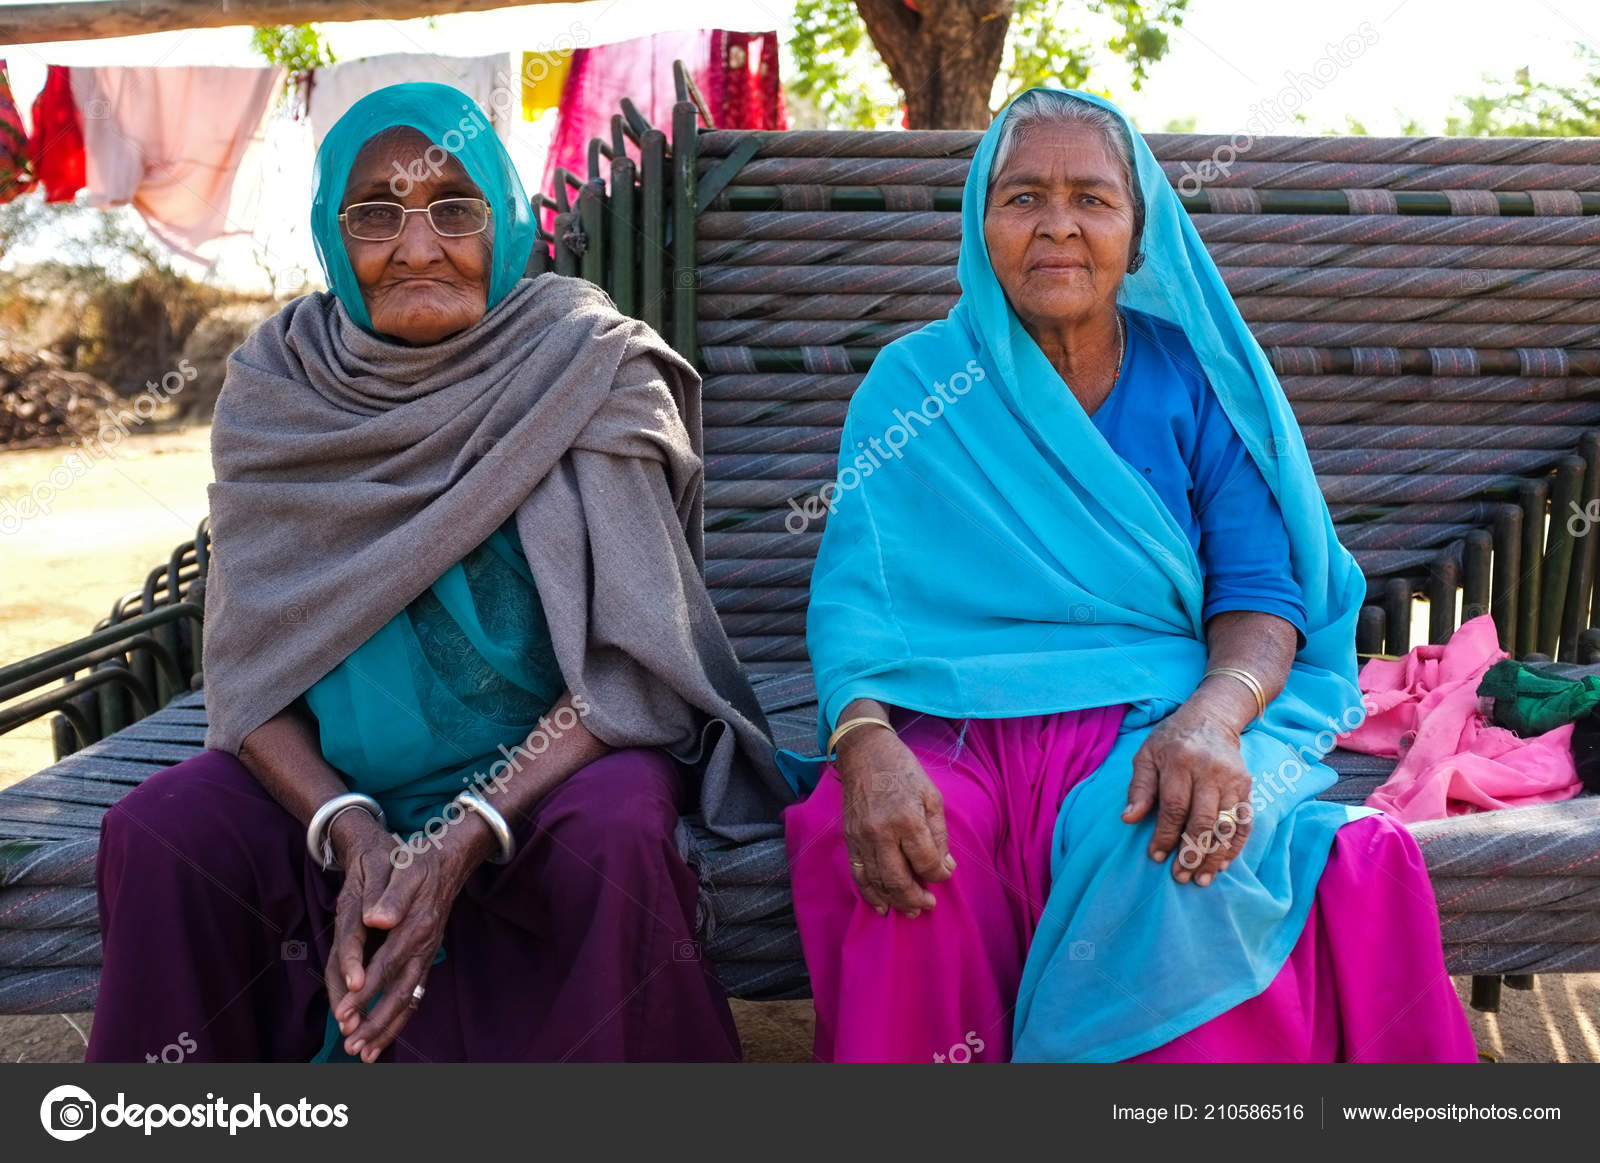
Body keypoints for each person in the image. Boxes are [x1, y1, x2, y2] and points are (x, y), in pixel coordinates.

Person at [86, 83, 791, 1064]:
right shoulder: (278, 385)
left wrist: (467, 828)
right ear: (333, 235)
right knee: (161, 832)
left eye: (453, 208)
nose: (417, 247)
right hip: (329, 788)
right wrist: (349, 825)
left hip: (552, 774)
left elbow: (638, 666)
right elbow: (248, 678)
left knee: (619, 833)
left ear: (503, 221)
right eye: (375, 213)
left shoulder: (585, 364)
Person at [783, 88, 1477, 1063]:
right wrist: (863, 745)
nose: (1057, 223)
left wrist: (1210, 719)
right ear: (981, 219)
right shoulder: (913, 382)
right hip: (946, 719)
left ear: (1138, 224)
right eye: (1023, 196)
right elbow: (856, 599)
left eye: (1091, 198)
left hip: (1147, 713)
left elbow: (1258, 595)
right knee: (911, 867)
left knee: (1168, 850)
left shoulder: (1192, 379)